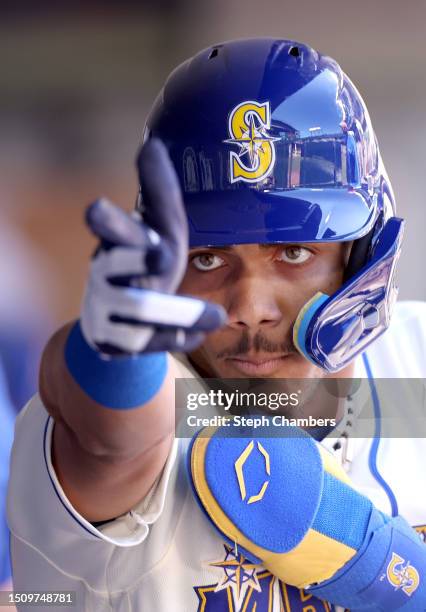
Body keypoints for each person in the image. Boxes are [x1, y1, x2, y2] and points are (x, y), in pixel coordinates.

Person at [7, 38, 426, 611]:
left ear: (358, 257)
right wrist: (113, 364)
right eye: (207, 258)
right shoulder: (152, 402)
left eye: (294, 253)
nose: (250, 304)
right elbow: (113, 438)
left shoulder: (417, 355)